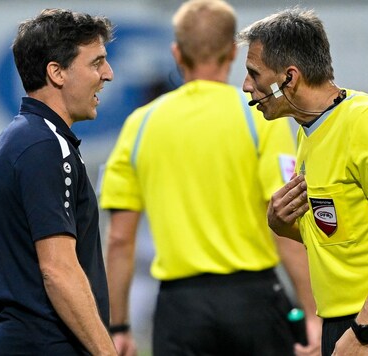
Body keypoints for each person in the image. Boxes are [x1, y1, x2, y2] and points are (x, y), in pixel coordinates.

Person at [99, 1, 321, 355]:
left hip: (179, 307)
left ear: (176, 52)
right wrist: (313, 313)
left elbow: (120, 240)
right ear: (233, 52)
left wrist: (119, 325)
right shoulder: (259, 120)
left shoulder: (139, 126)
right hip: (254, 302)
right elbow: (287, 225)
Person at [237, 7, 368, 356]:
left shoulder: (367, 121)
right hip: (345, 325)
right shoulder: (308, 133)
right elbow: (335, 235)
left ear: (289, 77)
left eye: (253, 73)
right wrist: (281, 224)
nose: (247, 86)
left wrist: (364, 330)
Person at [0, 9, 117, 355]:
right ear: (56, 72)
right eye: (96, 62)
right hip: (43, 345)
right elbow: (58, 270)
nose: (109, 74)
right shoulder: (44, 146)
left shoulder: (26, 137)